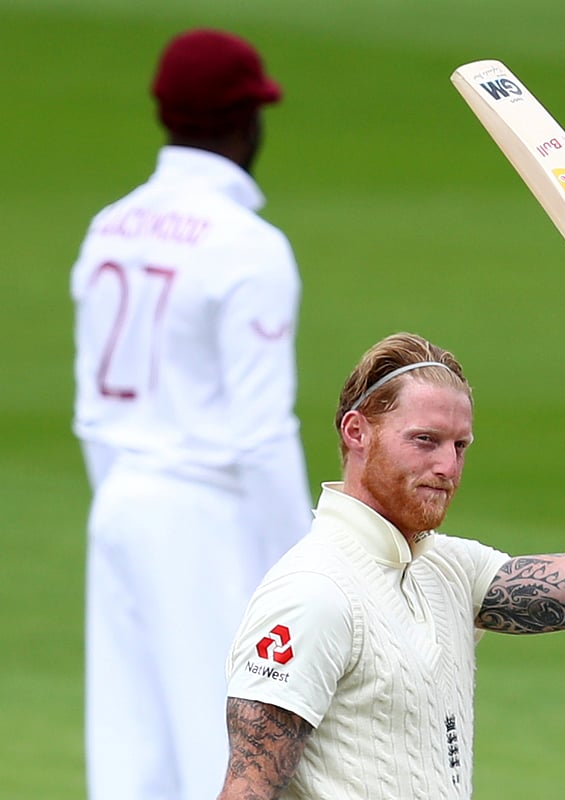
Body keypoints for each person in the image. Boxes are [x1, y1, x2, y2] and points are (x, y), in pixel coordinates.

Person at [215, 331, 565, 799]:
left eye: (460, 446)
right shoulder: (314, 591)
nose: (447, 467)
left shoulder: (447, 570)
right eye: (424, 441)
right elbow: (247, 789)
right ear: (357, 433)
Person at [69, 28, 312, 800]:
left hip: (121, 506)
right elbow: (261, 431)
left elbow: (91, 412)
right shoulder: (248, 245)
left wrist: (128, 493)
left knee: (130, 755)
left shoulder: (110, 225)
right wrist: (305, 574)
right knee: (235, 758)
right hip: (208, 521)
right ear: (248, 122)